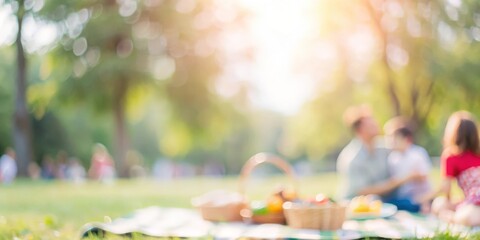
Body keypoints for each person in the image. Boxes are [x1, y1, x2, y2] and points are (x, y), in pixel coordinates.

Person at [337, 105, 424, 200]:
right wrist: (402, 179)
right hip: (356, 203)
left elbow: (403, 146)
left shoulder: (382, 146)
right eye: (370, 123)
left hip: (382, 200)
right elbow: (364, 191)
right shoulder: (352, 158)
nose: (376, 123)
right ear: (360, 129)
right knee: (374, 198)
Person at [419, 111, 480, 226]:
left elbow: (446, 188)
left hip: (474, 203)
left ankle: (452, 218)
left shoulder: (451, 156)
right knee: (441, 204)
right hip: (474, 201)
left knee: (442, 206)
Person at [386, 126, 432, 212]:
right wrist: (409, 176)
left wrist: (411, 176)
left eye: (395, 139)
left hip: (418, 197)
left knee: (408, 204)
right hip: (402, 197)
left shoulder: (417, 153)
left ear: (406, 139)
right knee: (389, 203)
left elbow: (423, 177)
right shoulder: (393, 158)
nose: (391, 142)